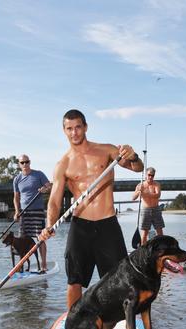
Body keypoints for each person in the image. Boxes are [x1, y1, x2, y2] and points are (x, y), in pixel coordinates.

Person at [38, 109, 144, 309]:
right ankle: (73, 326)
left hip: (107, 224)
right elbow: (54, 200)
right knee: (74, 280)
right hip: (81, 226)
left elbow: (137, 167)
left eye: (78, 127)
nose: (74, 132)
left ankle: (120, 323)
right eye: (69, 128)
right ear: (64, 131)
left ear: (85, 127)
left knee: (120, 280)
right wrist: (49, 225)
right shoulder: (63, 164)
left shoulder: (107, 151)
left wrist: (134, 155)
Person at [13, 154, 52, 273]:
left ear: (30, 162)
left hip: (37, 211)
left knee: (40, 239)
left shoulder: (38, 174)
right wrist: (17, 211)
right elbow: (16, 197)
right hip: (24, 213)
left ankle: (44, 265)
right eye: (22, 162)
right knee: (22, 241)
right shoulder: (17, 179)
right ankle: (22, 266)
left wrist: (44, 189)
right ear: (19, 164)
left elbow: (49, 186)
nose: (25, 164)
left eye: (27, 162)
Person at [131, 167, 164, 245]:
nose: (150, 177)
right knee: (145, 233)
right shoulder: (140, 185)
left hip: (156, 209)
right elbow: (133, 198)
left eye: (152, 175)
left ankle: (161, 250)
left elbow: (157, 195)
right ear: (146, 175)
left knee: (160, 232)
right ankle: (143, 252)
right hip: (145, 210)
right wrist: (139, 190)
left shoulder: (157, 184)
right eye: (149, 175)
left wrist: (145, 193)